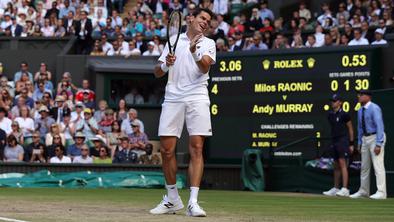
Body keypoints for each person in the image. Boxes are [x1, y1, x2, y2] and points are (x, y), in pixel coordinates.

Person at [150, 8, 216, 217]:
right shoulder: (173, 39)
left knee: (197, 147)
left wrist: (195, 51)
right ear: (190, 18)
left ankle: (193, 203)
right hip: (173, 97)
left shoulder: (208, 43)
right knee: (167, 151)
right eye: (202, 18)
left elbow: (205, 68)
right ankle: (172, 199)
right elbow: (157, 71)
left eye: (208, 20)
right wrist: (167, 65)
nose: (205, 22)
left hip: (197, 96)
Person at [350, 90, 386, 199]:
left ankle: (381, 192)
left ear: (368, 97)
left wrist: (379, 144)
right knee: (364, 167)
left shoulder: (374, 108)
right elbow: (360, 128)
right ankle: (364, 191)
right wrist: (360, 143)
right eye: (358, 95)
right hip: (365, 139)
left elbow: (380, 126)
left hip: (376, 137)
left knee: (378, 166)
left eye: (361, 95)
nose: (359, 96)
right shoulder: (360, 110)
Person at [323, 94, 354, 197]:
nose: (333, 102)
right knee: (336, 165)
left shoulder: (345, 115)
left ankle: (345, 189)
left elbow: (350, 129)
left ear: (340, 102)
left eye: (335, 101)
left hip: (343, 141)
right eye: (332, 101)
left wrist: (351, 143)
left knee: (342, 164)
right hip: (334, 141)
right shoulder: (330, 115)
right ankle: (336, 188)